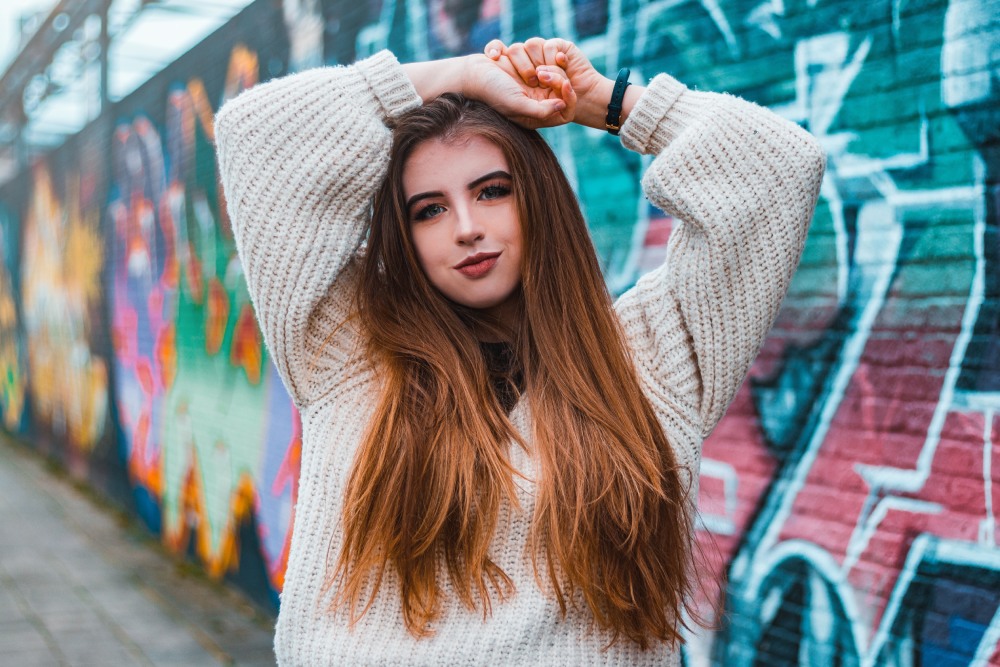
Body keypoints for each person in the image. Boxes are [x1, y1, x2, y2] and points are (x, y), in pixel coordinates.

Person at [214, 36, 825, 666]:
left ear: (538, 198)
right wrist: (461, 74)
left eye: (492, 191)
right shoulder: (349, 348)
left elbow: (779, 167)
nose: (466, 228)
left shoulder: (649, 359)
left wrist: (597, 100)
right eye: (429, 210)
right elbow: (255, 133)